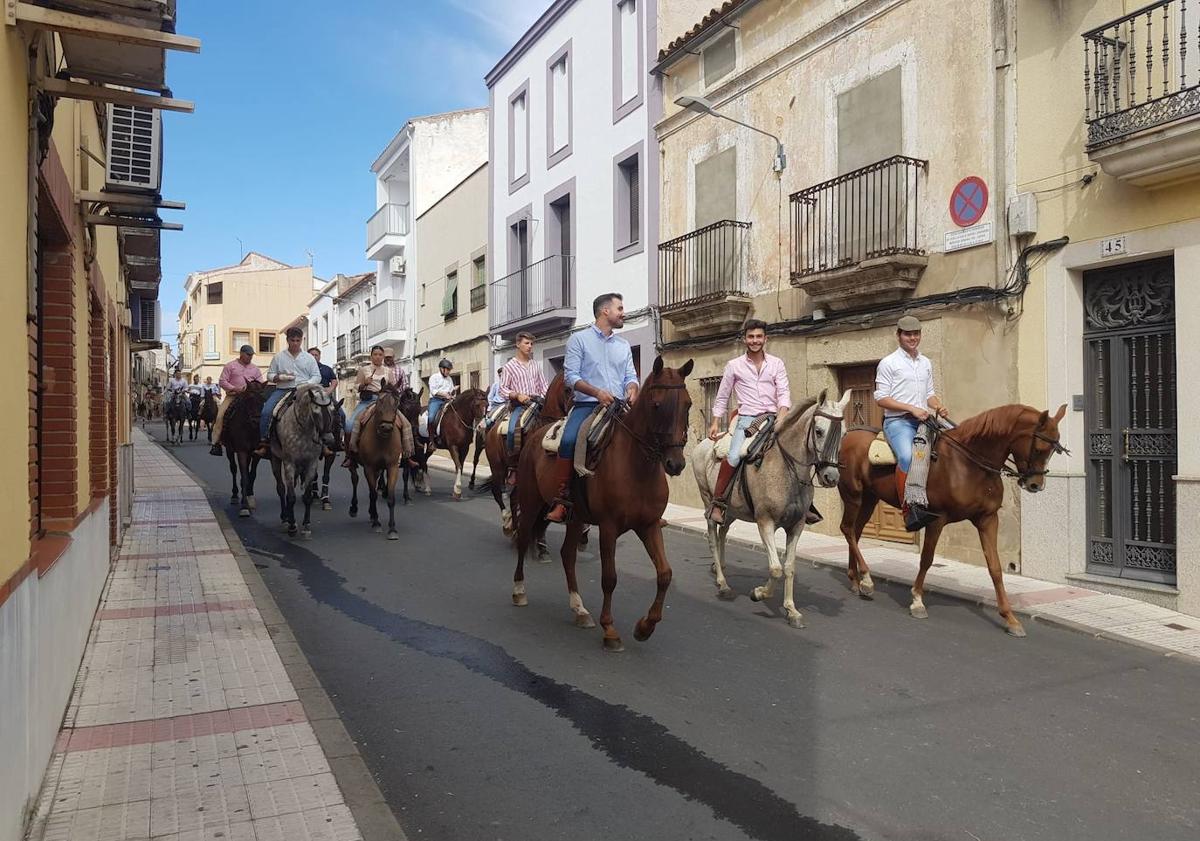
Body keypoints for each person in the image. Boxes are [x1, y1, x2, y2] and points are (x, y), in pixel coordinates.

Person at [546, 293, 639, 523]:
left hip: (619, 407)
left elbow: (631, 375)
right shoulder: (579, 340)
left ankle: (644, 500)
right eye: (620, 308)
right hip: (587, 405)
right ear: (605, 311)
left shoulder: (623, 344)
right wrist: (596, 392)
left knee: (644, 439)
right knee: (568, 440)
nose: (623, 312)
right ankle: (562, 498)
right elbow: (571, 377)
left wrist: (632, 388)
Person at [706, 320, 795, 525]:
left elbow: (783, 392)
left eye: (759, 336)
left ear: (766, 339)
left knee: (794, 450)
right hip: (747, 420)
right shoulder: (734, 366)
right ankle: (718, 503)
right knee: (735, 456)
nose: (755, 341)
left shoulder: (776, 364)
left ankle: (802, 504)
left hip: (774, 417)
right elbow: (723, 395)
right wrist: (715, 422)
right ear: (745, 339)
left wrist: (782, 415)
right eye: (751, 337)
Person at [874, 315, 949, 527]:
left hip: (924, 421)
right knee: (908, 457)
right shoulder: (888, 363)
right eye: (908, 334)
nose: (913, 338)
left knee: (954, 440)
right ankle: (909, 509)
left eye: (916, 334)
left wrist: (938, 406)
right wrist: (910, 408)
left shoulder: (925, 363)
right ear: (898, 336)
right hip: (899, 422)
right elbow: (881, 398)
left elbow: (929, 394)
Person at [256, 326, 322, 455]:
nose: (295, 343)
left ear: (301, 340)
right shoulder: (278, 357)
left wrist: (307, 384)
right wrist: (280, 377)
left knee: (324, 408)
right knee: (267, 411)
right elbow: (270, 375)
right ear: (288, 340)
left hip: (305, 390)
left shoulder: (309, 358)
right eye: (293, 340)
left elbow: (317, 376)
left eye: (298, 340)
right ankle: (264, 442)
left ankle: (325, 440)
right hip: (283, 389)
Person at [499, 332, 548, 479]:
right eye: (526, 343)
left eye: (531, 344)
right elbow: (503, 389)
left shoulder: (535, 365)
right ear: (518, 344)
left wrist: (546, 398)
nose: (530, 346)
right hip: (519, 406)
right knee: (514, 429)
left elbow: (544, 385)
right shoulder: (509, 367)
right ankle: (513, 466)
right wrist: (517, 395)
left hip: (537, 403)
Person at [343, 345, 396, 463]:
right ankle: (349, 455)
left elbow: (393, 388)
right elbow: (356, 387)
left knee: (405, 422)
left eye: (380, 355)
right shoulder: (364, 370)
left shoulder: (388, 371)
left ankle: (407, 453)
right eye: (375, 355)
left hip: (385, 402)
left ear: (383, 357)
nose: (378, 357)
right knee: (349, 425)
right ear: (371, 356)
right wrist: (364, 383)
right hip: (367, 400)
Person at [209, 345, 263, 456]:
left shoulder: (255, 369)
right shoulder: (230, 366)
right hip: (233, 396)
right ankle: (216, 443)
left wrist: (255, 387)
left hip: (250, 398)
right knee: (220, 415)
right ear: (241, 353)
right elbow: (222, 381)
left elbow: (260, 383)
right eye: (248, 354)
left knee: (262, 414)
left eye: (252, 355)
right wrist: (235, 388)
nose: (250, 357)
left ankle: (263, 441)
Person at [426, 358, 457, 434]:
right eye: (448, 370)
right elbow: (434, 391)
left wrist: (453, 392)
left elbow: (451, 390)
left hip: (447, 401)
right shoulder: (434, 377)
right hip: (436, 400)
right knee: (431, 417)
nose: (449, 372)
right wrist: (445, 394)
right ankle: (431, 436)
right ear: (442, 369)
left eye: (449, 370)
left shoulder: (449, 379)